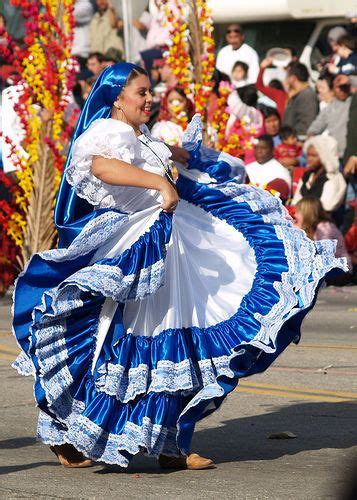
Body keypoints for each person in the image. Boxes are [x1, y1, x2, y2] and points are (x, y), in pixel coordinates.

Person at [12, 63, 347, 470]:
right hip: (140, 243)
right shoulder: (107, 132)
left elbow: (169, 159)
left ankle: (171, 442)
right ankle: (78, 429)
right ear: (117, 97)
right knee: (131, 341)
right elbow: (102, 167)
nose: (149, 98)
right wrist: (158, 183)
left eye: (150, 90)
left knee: (184, 340)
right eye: (141, 91)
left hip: (175, 241)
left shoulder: (140, 134)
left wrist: (196, 158)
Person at [294, 198, 352, 273]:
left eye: (298, 212)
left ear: (307, 213)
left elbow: (322, 255)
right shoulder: (310, 227)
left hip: (340, 270)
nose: (295, 214)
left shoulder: (324, 228)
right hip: (327, 268)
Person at [292, 135, 346, 213]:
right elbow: (296, 200)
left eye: (314, 156)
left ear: (325, 156)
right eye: (308, 155)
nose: (309, 159)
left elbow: (327, 207)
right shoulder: (307, 175)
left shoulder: (333, 179)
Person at [307, 75, 352, 159]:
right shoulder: (329, 108)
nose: (342, 90)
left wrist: (347, 80)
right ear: (333, 89)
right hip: (335, 155)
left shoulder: (353, 102)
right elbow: (314, 129)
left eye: (344, 87)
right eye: (338, 87)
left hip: (352, 153)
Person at [283, 62, 319, 138]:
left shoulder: (307, 95)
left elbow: (307, 122)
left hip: (299, 140)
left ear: (293, 78)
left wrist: (297, 139)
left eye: (287, 76)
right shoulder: (297, 95)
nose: (285, 80)